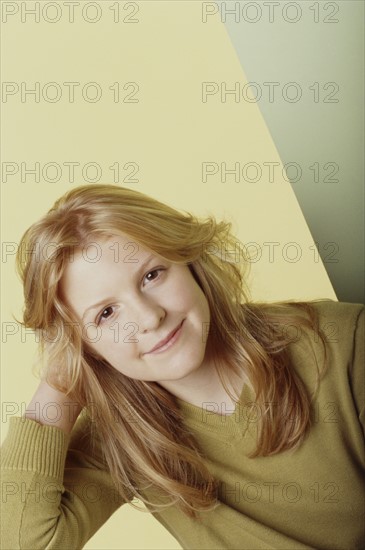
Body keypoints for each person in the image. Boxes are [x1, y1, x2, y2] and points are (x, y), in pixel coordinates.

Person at [1, 183, 364, 550]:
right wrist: (63, 377)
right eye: (106, 314)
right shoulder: (122, 436)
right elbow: (22, 543)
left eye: (152, 275)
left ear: (188, 261)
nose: (149, 317)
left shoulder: (343, 342)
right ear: (86, 346)